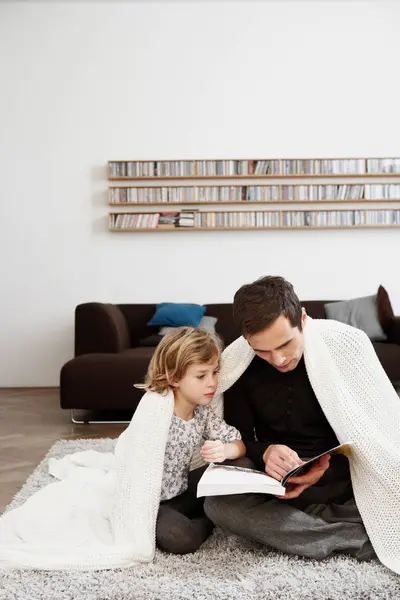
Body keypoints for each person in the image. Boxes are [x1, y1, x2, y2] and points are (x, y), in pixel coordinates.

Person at [204, 276, 376, 561]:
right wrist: (268, 451)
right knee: (217, 506)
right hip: (277, 484)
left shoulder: (343, 348)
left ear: (303, 320)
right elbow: (240, 439)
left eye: (285, 344)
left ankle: (302, 525)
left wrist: (325, 470)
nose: (278, 359)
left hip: (343, 477)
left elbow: (375, 439)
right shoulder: (239, 367)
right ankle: (352, 536)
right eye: (262, 351)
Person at [138, 326, 245, 555]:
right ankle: (212, 518)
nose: (212, 383)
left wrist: (224, 450)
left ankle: (215, 511)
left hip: (183, 490)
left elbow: (238, 444)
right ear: (173, 376)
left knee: (244, 465)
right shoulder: (156, 409)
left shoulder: (202, 412)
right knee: (178, 537)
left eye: (215, 373)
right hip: (155, 504)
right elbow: (132, 460)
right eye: (201, 376)